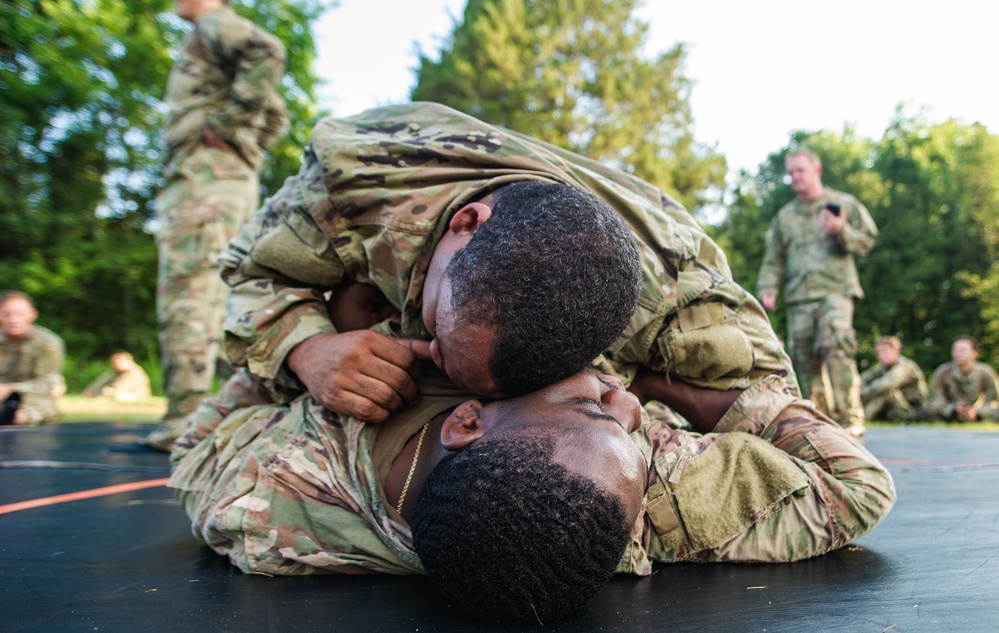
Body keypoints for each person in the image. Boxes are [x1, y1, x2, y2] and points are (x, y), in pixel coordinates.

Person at [210, 102, 794, 447]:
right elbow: (247, 271)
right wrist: (308, 349)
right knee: (349, 307)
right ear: (464, 222)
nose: (425, 350)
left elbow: (791, 420)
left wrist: (647, 395)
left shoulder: (679, 292)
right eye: (439, 324)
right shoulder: (367, 177)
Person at [168, 362, 896, 625]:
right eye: (612, 416)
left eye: (598, 407)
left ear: (466, 420)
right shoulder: (648, 501)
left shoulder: (266, 502)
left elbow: (194, 443)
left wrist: (310, 348)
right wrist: (668, 385)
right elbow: (858, 486)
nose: (627, 410)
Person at [145, 0, 289, 450]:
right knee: (228, 290)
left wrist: (228, 127)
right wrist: (247, 146)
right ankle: (240, 408)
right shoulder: (210, 42)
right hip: (221, 179)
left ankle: (184, 419)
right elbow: (276, 114)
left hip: (203, 179)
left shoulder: (214, 26)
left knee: (189, 291)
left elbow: (267, 52)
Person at [756, 148, 878, 437]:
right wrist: (767, 287)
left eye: (801, 171)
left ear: (817, 171)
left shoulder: (842, 204)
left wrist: (841, 230)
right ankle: (821, 421)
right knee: (803, 356)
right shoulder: (785, 216)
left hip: (835, 290)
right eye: (791, 172)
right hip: (799, 296)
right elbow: (773, 257)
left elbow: (868, 240)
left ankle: (849, 416)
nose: (795, 177)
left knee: (836, 341)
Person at [0, 291, 65, 426]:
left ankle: (11, 417)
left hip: (31, 396)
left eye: (20, 314)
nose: (13, 320)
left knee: (34, 411)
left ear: (32, 314)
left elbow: (48, 383)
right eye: (6, 314)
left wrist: (10, 389)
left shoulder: (48, 343)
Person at [927, 336, 999, 422]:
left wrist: (978, 412)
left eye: (962, 350)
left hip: (978, 411)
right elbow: (935, 397)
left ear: (974, 353)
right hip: (949, 411)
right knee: (927, 410)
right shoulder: (943, 372)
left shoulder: (985, 372)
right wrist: (952, 409)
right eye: (955, 350)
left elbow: (993, 398)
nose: (958, 353)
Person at [859, 336, 929, 422]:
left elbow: (886, 384)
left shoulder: (904, 366)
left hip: (913, 411)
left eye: (885, 352)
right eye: (879, 352)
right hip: (896, 408)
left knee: (887, 392)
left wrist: (862, 393)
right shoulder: (882, 367)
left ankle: (862, 419)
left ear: (896, 350)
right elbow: (862, 379)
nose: (881, 356)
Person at [83, 351, 152, 403]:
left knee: (116, 394)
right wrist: (92, 389)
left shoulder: (135, 372)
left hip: (136, 395)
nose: (114, 364)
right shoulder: (115, 371)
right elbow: (101, 381)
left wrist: (106, 391)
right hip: (116, 391)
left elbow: (122, 387)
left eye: (117, 362)